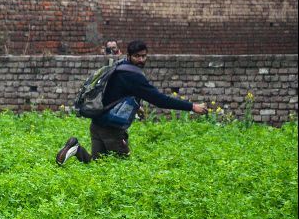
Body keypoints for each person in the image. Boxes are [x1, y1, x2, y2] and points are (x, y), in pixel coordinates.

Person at [56, 39, 207, 165]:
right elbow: (159, 100)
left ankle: (76, 149)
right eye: (137, 56)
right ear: (129, 55)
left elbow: (115, 93)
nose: (141, 60)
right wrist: (192, 106)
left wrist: (137, 106)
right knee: (123, 167)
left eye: (144, 56)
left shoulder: (118, 67)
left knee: (99, 165)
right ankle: (76, 150)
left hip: (97, 123)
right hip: (112, 129)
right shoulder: (133, 76)